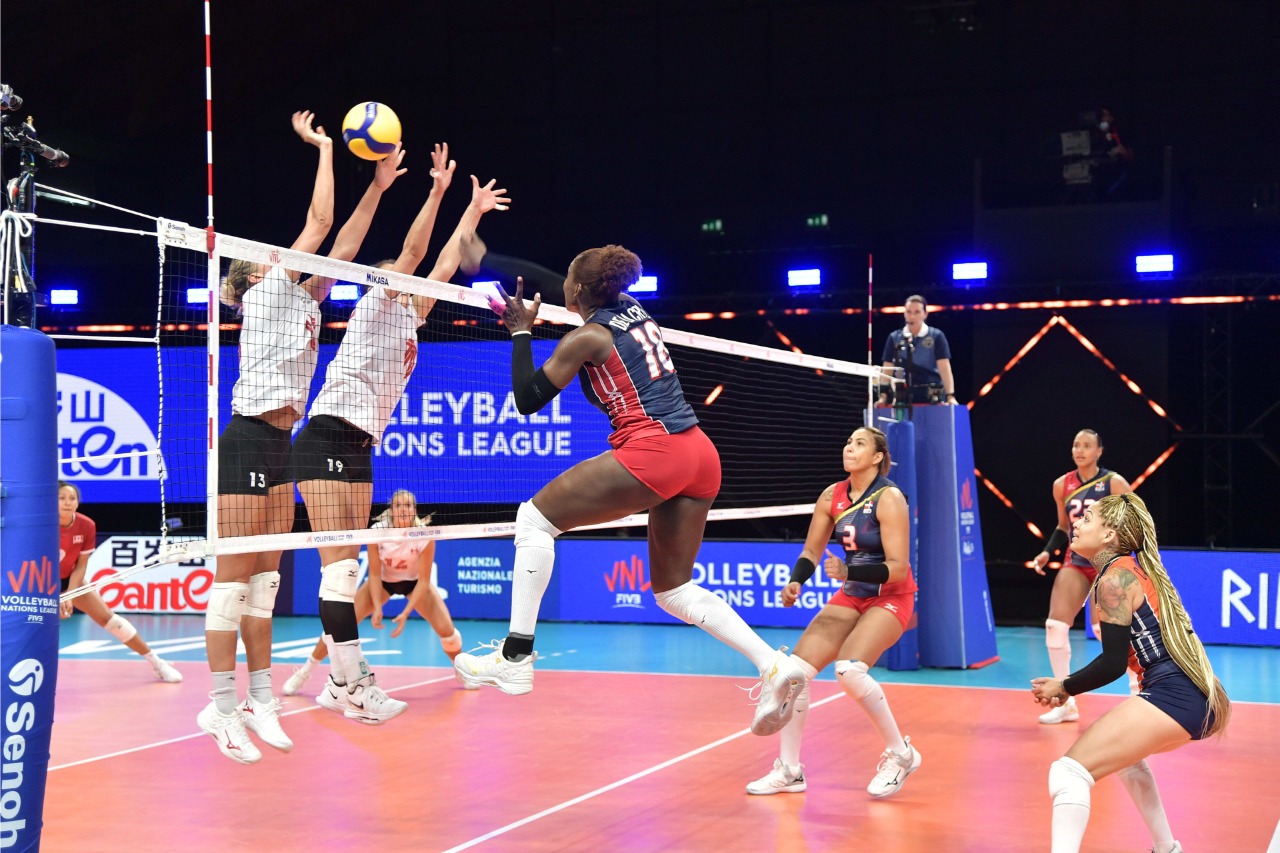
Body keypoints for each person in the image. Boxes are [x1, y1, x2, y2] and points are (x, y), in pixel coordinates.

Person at [451, 246, 806, 737]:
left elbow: (527, 400)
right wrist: (488, 257)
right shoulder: (636, 313)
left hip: (654, 448)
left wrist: (519, 330)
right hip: (700, 453)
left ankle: (514, 657)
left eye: (569, 283)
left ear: (577, 292)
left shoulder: (587, 338)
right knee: (674, 591)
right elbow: (559, 279)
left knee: (534, 520)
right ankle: (771, 665)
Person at [199, 112, 409, 764]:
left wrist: (377, 188)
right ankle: (219, 703)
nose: (293, 261)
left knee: (265, 582)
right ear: (256, 278)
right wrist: (324, 149)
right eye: (275, 260)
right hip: (246, 438)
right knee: (233, 582)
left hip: (280, 446)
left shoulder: (305, 304)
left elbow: (341, 243)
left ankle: (260, 696)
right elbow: (322, 230)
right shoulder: (266, 297)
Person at [293, 162, 509, 725]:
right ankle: (351, 684)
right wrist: (435, 193)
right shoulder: (382, 299)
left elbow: (439, 265)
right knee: (339, 571)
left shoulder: (412, 316)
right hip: (328, 430)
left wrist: (470, 210)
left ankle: (341, 686)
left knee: (340, 571)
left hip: (360, 441)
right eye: (401, 276)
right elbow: (415, 258)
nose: (413, 281)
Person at [1032, 492, 1230, 853]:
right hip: (1197, 698)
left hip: (1175, 694)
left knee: (1068, 772)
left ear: (1110, 535)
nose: (1076, 521)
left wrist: (1065, 685)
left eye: (1088, 517)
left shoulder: (1114, 581)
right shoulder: (1131, 572)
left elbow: (1111, 664)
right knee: (1125, 758)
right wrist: (1066, 685)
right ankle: (1166, 847)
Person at [744, 426, 921, 799]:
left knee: (849, 671)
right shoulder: (832, 495)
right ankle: (790, 771)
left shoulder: (889, 498)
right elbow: (811, 552)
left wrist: (847, 571)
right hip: (852, 595)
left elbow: (899, 568)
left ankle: (901, 755)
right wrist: (796, 581)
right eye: (847, 442)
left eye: (859, 444)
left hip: (891, 597)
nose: (849, 448)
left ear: (876, 457)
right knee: (794, 675)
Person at [283, 489, 468, 696]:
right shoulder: (378, 532)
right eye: (398, 505)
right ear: (392, 510)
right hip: (383, 582)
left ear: (414, 510)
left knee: (448, 633)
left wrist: (406, 613)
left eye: (408, 506)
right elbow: (373, 575)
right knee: (339, 624)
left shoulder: (424, 534)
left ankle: (461, 670)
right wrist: (377, 608)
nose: (403, 510)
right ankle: (304, 672)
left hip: (415, 583)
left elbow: (424, 582)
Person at [1029, 428, 1134, 724]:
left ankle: (1139, 693)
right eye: (1076, 444)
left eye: (1087, 445)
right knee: (1054, 625)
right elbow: (1063, 527)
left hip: (1108, 562)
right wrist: (1047, 552)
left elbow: (1136, 520)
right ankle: (1064, 702)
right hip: (1076, 560)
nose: (1080, 450)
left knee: (1109, 632)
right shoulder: (1062, 484)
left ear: (1099, 451)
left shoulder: (1114, 483)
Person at [57, 481, 182, 683]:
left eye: (72, 498)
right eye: (61, 498)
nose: (67, 502)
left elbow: (81, 566)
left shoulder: (86, 525)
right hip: (41, 581)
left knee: (112, 621)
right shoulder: (43, 526)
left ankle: (157, 663)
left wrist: (69, 595)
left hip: (72, 580)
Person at [878, 295, 957, 406]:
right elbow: (887, 369)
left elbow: (944, 368)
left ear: (925, 314)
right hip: (902, 394)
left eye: (917, 312)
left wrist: (950, 396)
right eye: (908, 312)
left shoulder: (936, 336)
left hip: (931, 395)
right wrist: (883, 396)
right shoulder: (894, 337)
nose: (912, 316)